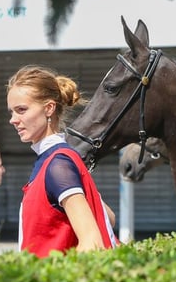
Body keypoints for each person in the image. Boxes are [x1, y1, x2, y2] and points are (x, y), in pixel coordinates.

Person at [7, 64, 118, 257]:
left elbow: (91, 242)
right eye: (12, 112)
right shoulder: (60, 159)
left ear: (49, 108)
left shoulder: (57, 164)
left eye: (21, 110)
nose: (13, 119)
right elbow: (108, 217)